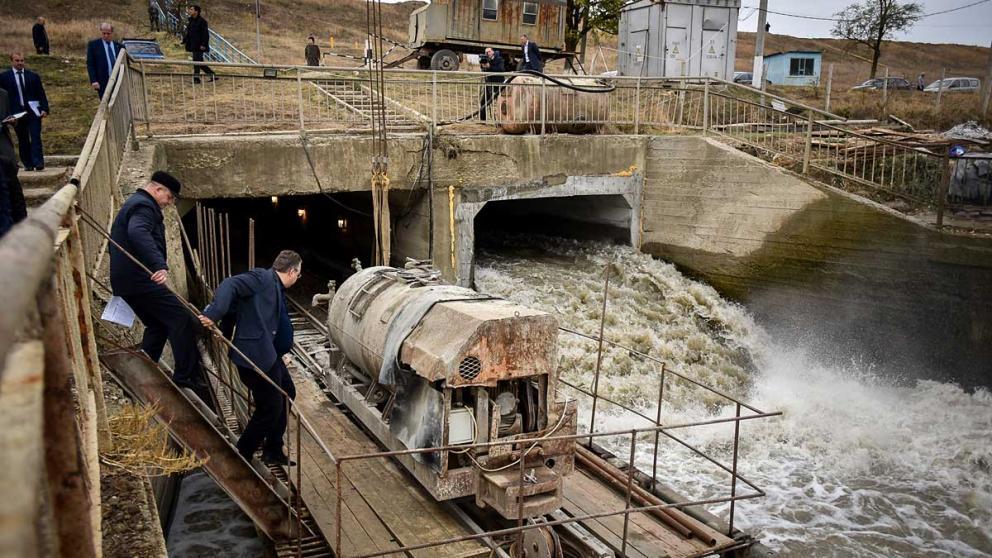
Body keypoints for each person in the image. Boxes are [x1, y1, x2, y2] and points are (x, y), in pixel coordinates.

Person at [109, 172, 209, 399]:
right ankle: (186, 377)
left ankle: (144, 368)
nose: (170, 203)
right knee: (180, 318)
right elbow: (138, 232)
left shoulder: (135, 204)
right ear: (158, 190)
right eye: (170, 197)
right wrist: (159, 265)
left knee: (157, 325)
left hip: (127, 281)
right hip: (140, 280)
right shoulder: (144, 206)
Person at [198, 250, 302, 466]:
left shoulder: (276, 287)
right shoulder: (262, 278)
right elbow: (229, 284)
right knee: (270, 406)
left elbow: (245, 311)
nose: (297, 278)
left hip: (270, 353)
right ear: (292, 272)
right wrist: (214, 313)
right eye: (298, 274)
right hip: (255, 355)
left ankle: (273, 448)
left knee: (287, 392)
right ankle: (242, 454)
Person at [0, 53, 49, 171]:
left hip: (33, 111)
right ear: (12, 61)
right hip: (16, 113)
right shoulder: (4, 77)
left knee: (36, 136)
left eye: (22, 60)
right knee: (23, 138)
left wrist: (44, 108)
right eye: (17, 60)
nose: (20, 63)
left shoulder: (32, 76)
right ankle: (28, 163)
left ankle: (38, 162)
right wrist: (7, 115)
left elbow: (40, 93)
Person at [0, 88, 26, 238]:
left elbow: (7, 115)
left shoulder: (3, 94)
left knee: (14, 194)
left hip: (5, 150)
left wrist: (12, 121)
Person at [86, 23, 125, 99]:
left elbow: (126, 63)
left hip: (118, 81)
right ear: (101, 32)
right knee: (105, 102)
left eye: (108, 33)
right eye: (104, 33)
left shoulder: (120, 47)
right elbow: (90, 64)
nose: (106, 36)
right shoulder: (94, 45)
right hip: (102, 81)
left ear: (112, 33)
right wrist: (94, 80)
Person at [184, 5, 217, 84]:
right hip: (193, 44)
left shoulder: (202, 21)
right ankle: (212, 75)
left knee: (196, 61)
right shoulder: (191, 20)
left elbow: (205, 34)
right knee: (200, 62)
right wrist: (185, 40)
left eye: (191, 9)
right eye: (189, 9)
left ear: (196, 11)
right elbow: (189, 32)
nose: (189, 11)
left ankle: (196, 79)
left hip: (199, 46)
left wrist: (203, 44)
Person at [479, 47, 505, 121]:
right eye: (486, 52)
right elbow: (484, 70)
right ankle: (482, 120)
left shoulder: (499, 59)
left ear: (493, 52)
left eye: (489, 51)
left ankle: (501, 119)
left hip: (498, 84)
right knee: (483, 102)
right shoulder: (486, 59)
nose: (487, 53)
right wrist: (483, 66)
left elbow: (501, 70)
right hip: (489, 83)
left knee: (499, 102)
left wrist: (490, 67)